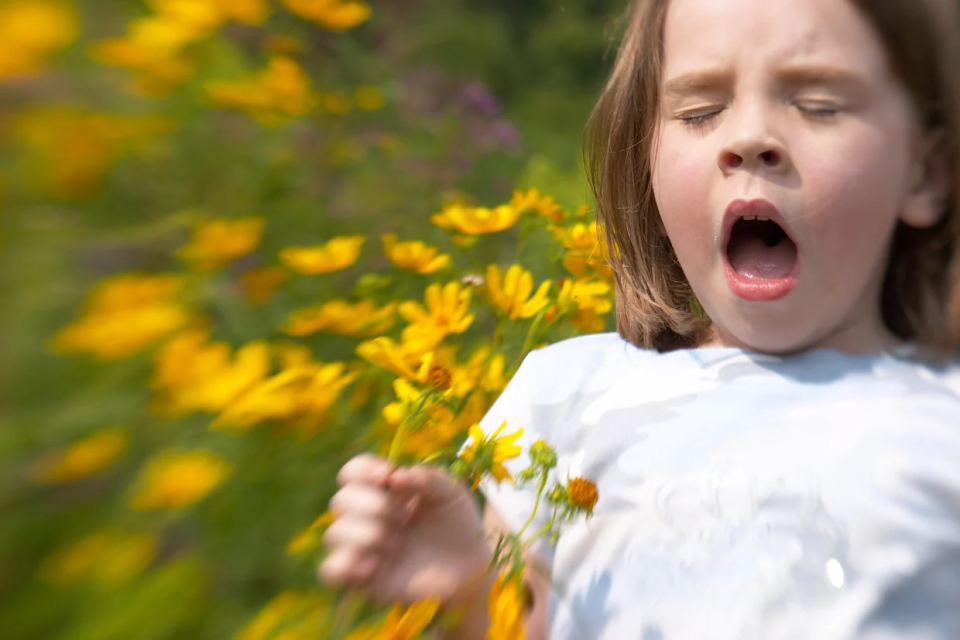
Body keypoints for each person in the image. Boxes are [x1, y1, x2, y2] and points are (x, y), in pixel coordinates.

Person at [319, 0, 960, 636]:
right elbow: (523, 624)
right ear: (645, 159)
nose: (748, 139)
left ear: (926, 172)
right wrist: (466, 591)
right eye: (700, 111)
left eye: (819, 105)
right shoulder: (568, 396)